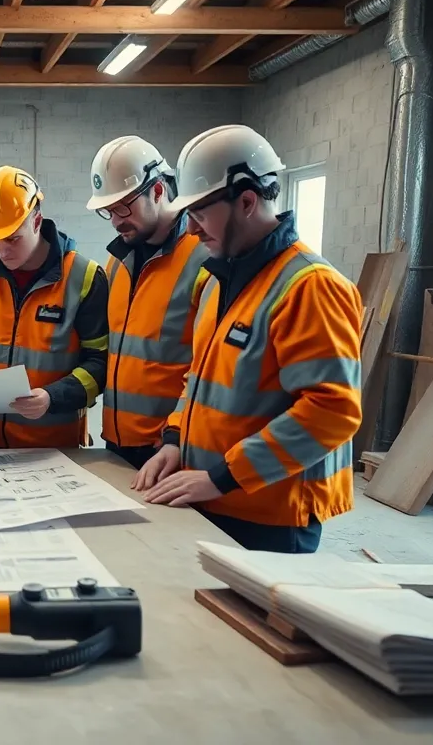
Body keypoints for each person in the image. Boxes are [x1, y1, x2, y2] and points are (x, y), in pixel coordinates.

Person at [132, 125, 363, 554]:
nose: (193, 229)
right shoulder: (220, 281)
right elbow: (199, 382)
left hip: (272, 515)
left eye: (201, 214)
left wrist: (221, 477)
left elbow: (332, 411)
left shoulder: (309, 286)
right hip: (213, 497)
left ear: (247, 201)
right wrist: (174, 441)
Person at [0, 165, 109, 449]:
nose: (2, 251)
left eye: (12, 238)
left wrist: (53, 397)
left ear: (36, 221)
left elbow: (100, 363)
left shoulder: (84, 278)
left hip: (54, 446)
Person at [87, 136, 210, 470]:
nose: (115, 220)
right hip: (116, 442)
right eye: (108, 210)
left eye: (124, 206)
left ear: (157, 191)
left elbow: (206, 368)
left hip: (171, 449)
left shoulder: (203, 260)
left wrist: (175, 435)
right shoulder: (118, 262)